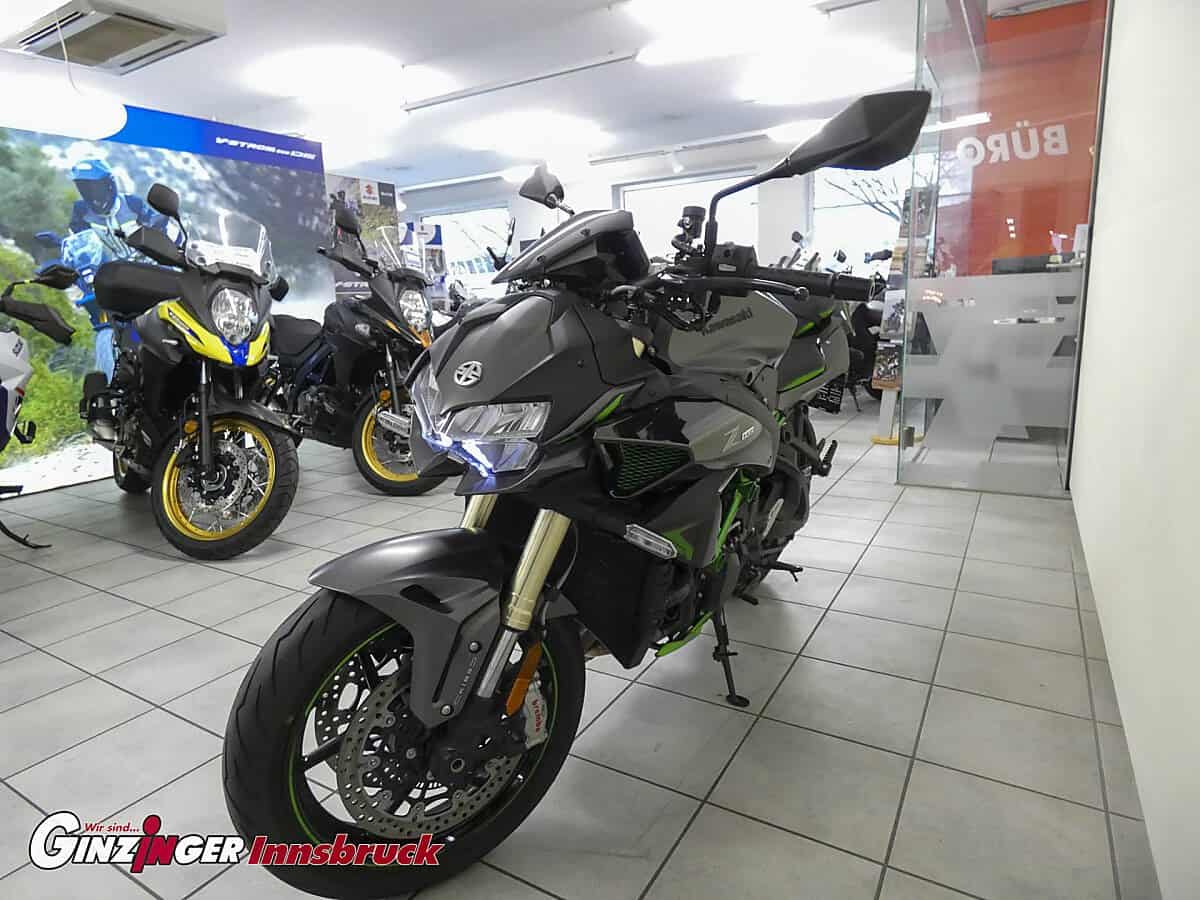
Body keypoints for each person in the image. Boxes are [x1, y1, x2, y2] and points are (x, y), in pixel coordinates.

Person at [64, 158, 176, 379]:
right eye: (85, 188)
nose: (92, 194)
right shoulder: (80, 211)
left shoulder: (132, 204)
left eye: (95, 187)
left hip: (148, 270)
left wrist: (158, 228)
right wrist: (65, 249)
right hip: (113, 276)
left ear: (109, 185)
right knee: (104, 321)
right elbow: (79, 243)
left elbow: (157, 228)